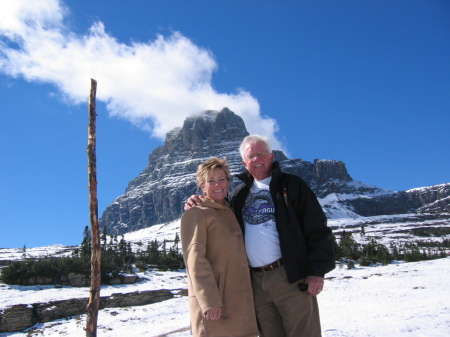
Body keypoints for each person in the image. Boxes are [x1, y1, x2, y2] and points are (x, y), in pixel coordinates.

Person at [185, 135, 336, 337]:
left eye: (261, 154)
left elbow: (317, 228)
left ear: (271, 156)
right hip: (254, 282)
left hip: (289, 276)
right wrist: (195, 200)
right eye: (251, 155)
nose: (256, 159)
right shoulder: (238, 195)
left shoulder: (291, 186)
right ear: (244, 162)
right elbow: (215, 203)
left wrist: (317, 271)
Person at [180, 157, 259, 337]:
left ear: (228, 182)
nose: (217, 185)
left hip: (239, 300)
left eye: (221, 179)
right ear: (202, 185)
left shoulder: (233, 210)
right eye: (211, 181)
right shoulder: (197, 213)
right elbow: (195, 261)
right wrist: (209, 301)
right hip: (216, 304)